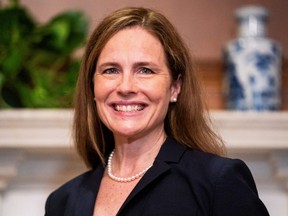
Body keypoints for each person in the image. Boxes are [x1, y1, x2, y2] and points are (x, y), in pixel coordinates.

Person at [45, 7, 270, 216]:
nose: (125, 87)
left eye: (145, 70)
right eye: (111, 70)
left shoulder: (218, 182)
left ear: (175, 87)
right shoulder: (62, 202)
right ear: (92, 86)